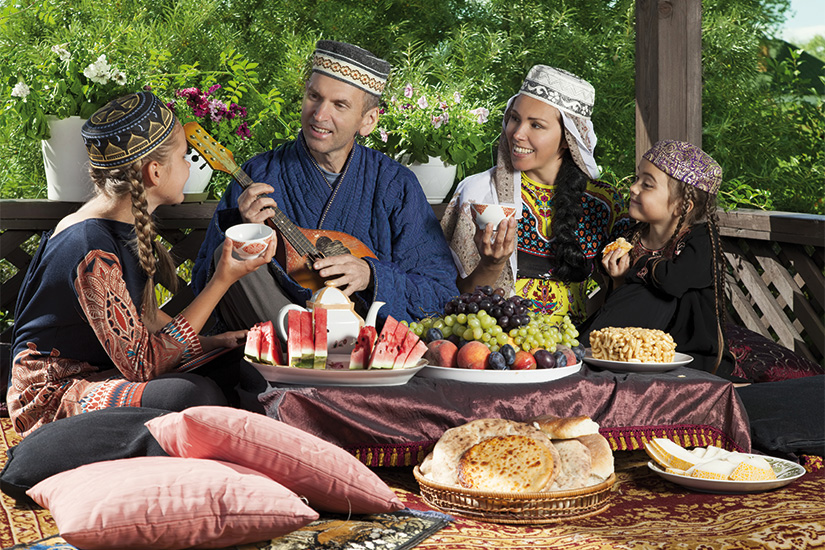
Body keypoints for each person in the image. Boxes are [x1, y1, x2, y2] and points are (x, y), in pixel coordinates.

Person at [7, 91, 276, 437]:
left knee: (240, 364)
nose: (189, 166)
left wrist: (214, 342)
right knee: (194, 395)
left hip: (106, 373)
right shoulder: (89, 246)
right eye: (184, 156)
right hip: (55, 397)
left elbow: (140, 318)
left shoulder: (118, 227)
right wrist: (222, 280)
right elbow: (142, 364)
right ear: (155, 172)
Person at [192, 40, 458, 329]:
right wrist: (244, 230)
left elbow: (441, 294)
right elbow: (203, 283)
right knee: (229, 255)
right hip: (278, 341)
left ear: (367, 121)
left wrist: (371, 275)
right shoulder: (259, 174)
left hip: (366, 346)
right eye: (314, 97)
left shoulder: (396, 185)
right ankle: (306, 348)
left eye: (339, 105)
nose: (319, 115)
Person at [440, 65, 630, 324]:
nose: (517, 134)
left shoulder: (604, 204)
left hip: (582, 347)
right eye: (514, 118)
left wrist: (618, 280)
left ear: (568, 139)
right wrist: (492, 265)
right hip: (502, 348)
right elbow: (454, 300)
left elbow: (618, 296)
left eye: (536, 125)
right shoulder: (478, 194)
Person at [581, 140, 737, 379]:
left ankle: (585, 351)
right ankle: (591, 350)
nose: (633, 188)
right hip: (638, 345)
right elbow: (621, 304)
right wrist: (618, 281)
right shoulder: (631, 237)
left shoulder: (702, 239)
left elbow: (674, 282)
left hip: (690, 352)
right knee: (638, 291)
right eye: (636, 179)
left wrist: (640, 264)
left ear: (681, 207)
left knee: (656, 292)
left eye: (647, 185)